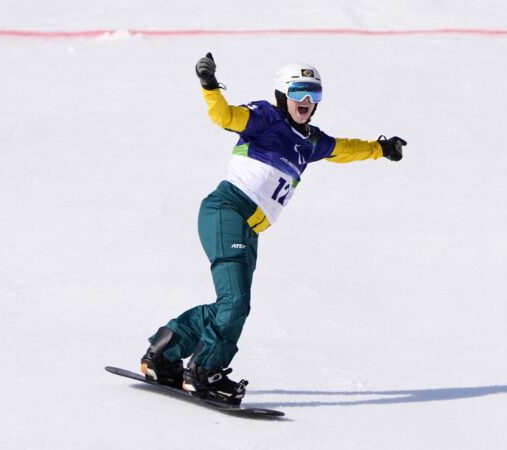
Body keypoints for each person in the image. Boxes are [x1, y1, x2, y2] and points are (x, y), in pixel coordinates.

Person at [139, 52, 407, 405]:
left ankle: (163, 355)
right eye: (299, 93)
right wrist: (209, 86)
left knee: (230, 305)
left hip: (247, 227)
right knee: (235, 303)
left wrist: (380, 148)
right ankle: (204, 372)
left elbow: (343, 149)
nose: (307, 102)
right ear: (283, 95)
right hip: (227, 210)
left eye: (314, 95)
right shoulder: (265, 118)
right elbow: (225, 116)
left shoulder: (310, 141)